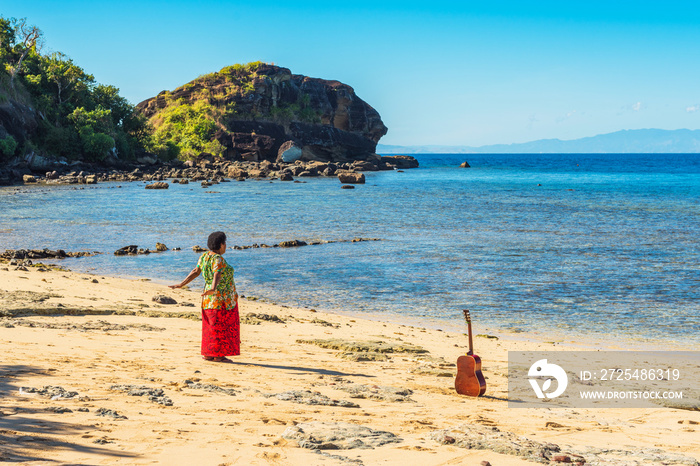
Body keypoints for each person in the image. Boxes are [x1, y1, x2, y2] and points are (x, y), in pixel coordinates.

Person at [170, 231, 240, 362]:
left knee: (210, 326)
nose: (225, 245)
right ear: (220, 244)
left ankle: (208, 354)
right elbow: (217, 274)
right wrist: (213, 288)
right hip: (222, 299)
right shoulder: (218, 259)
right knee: (221, 326)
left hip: (208, 299)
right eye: (225, 243)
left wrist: (181, 284)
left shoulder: (204, 257)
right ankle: (219, 356)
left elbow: (195, 271)